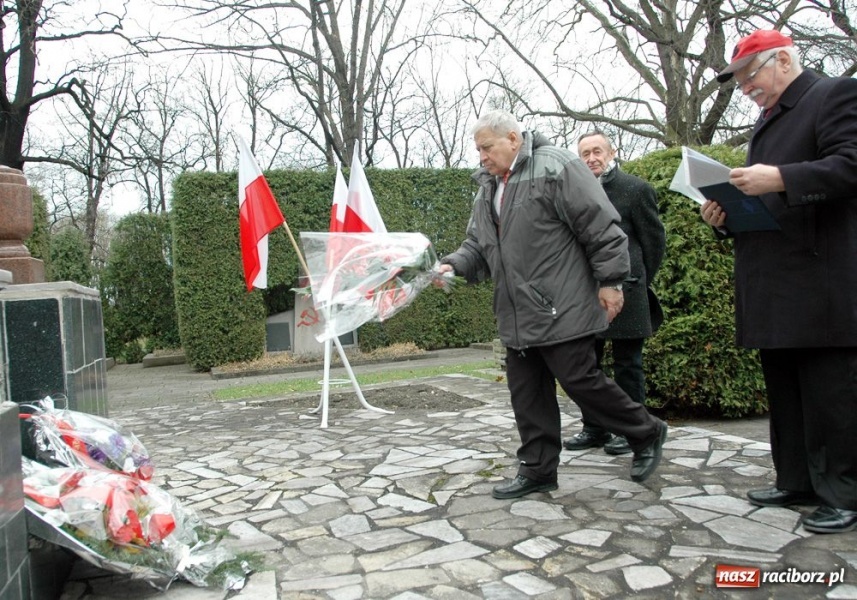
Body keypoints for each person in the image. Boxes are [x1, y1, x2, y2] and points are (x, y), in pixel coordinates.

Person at [438, 109, 667, 500]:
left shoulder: (557, 165)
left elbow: (601, 227)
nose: (481, 157)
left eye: (487, 147)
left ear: (513, 139)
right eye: (478, 150)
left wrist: (612, 282)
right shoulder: (489, 186)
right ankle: (538, 469)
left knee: (580, 380)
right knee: (527, 393)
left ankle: (646, 431)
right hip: (515, 311)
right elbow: (478, 243)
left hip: (562, 304)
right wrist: (453, 264)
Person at [702, 29, 857, 533]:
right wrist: (727, 215)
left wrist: (781, 178)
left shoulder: (833, 95)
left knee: (830, 393)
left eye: (750, 77)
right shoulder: (768, 123)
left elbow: (850, 165)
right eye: (742, 83)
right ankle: (796, 479)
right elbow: (765, 202)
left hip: (822, 282)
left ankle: (844, 493)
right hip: (774, 280)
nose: (746, 90)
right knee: (786, 390)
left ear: (784, 60)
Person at [564, 131, 666, 456]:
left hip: (628, 292)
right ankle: (594, 428)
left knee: (628, 366)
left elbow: (654, 243)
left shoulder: (636, 190)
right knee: (588, 365)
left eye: (597, 151)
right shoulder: (573, 194)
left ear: (611, 153)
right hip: (585, 294)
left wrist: (636, 278)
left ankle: (630, 430)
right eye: (585, 154)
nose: (592, 158)